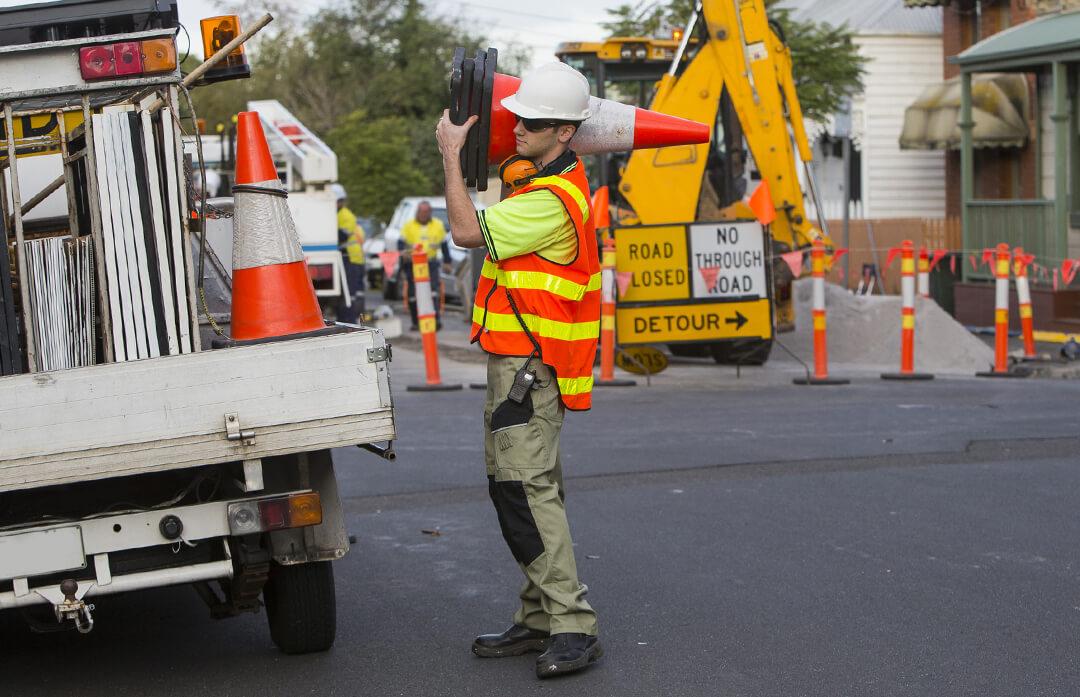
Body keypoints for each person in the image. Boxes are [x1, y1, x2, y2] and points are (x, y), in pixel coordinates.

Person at [435, 61, 603, 680]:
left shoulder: (552, 204)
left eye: (532, 121)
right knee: (533, 488)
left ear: (565, 133)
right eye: (518, 114)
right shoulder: (542, 185)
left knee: (523, 492)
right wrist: (502, 162)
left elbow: (461, 230)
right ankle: (537, 619)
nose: (517, 125)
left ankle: (573, 625)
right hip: (526, 366)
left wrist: (453, 155)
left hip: (528, 370)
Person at [398, 201, 452, 330]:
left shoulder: (438, 225)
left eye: (426, 212)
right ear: (417, 212)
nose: (423, 215)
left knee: (433, 292)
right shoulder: (408, 226)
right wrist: (403, 254)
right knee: (413, 294)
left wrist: (447, 262)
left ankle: (435, 321)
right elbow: (400, 243)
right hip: (413, 264)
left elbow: (444, 246)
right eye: (421, 212)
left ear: (430, 213)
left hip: (430, 263)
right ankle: (416, 322)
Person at [333, 183, 366, 324]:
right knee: (346, 293)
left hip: (351, 259)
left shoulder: (346, 216)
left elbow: (341, 236)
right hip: (346, 258)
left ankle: (350, 321)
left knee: (350, 294)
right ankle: (345, 319)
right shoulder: (335, 214)